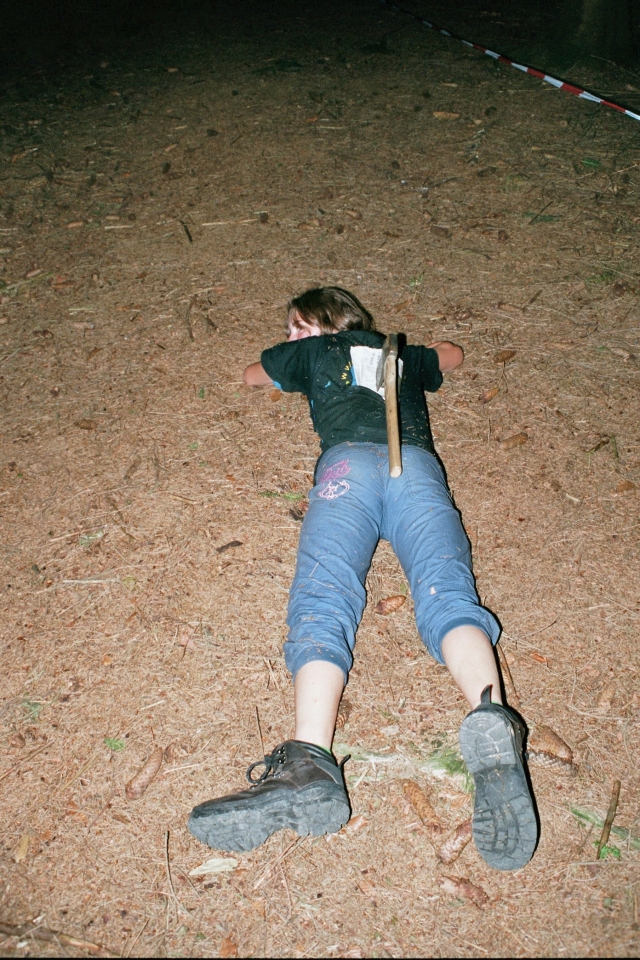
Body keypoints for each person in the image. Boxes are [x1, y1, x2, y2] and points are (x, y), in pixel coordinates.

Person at [188, 286, 538, 871]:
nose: (291, 336)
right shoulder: (398, 352)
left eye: (298, 325)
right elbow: (451, 355)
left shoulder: (311, 353)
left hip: (347, 467)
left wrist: (292, 360)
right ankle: (490, 716)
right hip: (416, 468)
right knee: (447, 592)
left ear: (329, 323)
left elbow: (252, 375)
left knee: (325, 595)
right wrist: (421, 353)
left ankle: (310, 759)